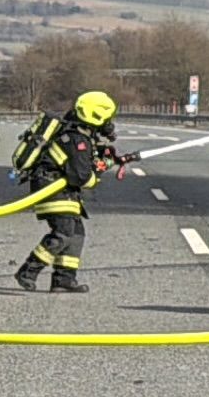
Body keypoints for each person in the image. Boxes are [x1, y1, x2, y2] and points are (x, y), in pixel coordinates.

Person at [12, 91, 127, 293]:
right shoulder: (76, 140)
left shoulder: (78, 135)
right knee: (64, 232)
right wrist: (101, 168)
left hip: (60, 188)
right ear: (96, 115)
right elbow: (82, 177)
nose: (109, 124)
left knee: (77, 233)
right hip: (51, 188)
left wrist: (105, 157)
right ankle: (28, 271)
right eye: (107, 118)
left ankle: (64, 278)